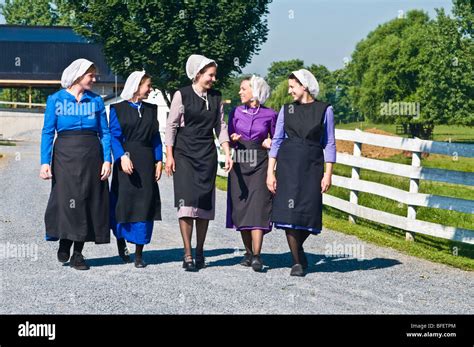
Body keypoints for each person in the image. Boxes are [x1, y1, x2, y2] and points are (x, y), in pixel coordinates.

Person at [40, 58, 111, 271]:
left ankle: (78, 253)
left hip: (92, 155)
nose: (94, 78)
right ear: (78, 76)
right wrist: (45, 162)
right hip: (64, 155)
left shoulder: (96, 101)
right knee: (66, 199)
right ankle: (64, 240)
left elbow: (105, 133)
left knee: (87, 200)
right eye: (91, 75)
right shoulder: (55, 100)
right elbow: (47, 132)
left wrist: (107, 159)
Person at [165, 54, 233, 271]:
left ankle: (200, 250)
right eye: (210, 75)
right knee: (186, 204)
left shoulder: (216, 97)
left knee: (203, 204)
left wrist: (227, 152)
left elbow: (220, 127)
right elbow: (171, 126)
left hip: (206, 154)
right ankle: (187, 253)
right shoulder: (182, 95)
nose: (213, 79)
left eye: (214, 75)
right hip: (184, 153)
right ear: (198, 74)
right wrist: (170, 155)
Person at [267, 69, 336, 277]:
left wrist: (328, 173)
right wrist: (270, 171)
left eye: (292, 87)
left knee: (308, 211)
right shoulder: (286, 110)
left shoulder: (325, 110)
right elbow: (277, 140)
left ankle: (299, 248)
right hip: (288, 166)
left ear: (304, 86)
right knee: (288, 213)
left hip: (312, 166)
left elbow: (330, 142)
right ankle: (296, 261)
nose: (289, 91)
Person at [109, 71, 162, 268]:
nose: (150, 89)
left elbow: (156, 136)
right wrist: (121, 156)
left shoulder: (151, 109)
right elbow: (114, 136)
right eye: (148, 85)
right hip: (126, 162)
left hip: (146, 161)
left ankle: (139, 254)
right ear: (137, 86)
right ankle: (121, 241)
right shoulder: (117, 109)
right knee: (123, 203)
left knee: (144, 204)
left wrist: (159, 160)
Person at [225, 75, 277, 272]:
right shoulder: (235, 112)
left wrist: (269, 143)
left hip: (260, 163)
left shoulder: (271, 114)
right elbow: (227, 140)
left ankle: (257, 255)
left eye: (243, 88)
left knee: (258, 207)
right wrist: (233, 139)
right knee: (242, 208)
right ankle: (247, 252)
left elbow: (278, 140)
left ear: (254, 91)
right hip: (240, 162)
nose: (240, 92)